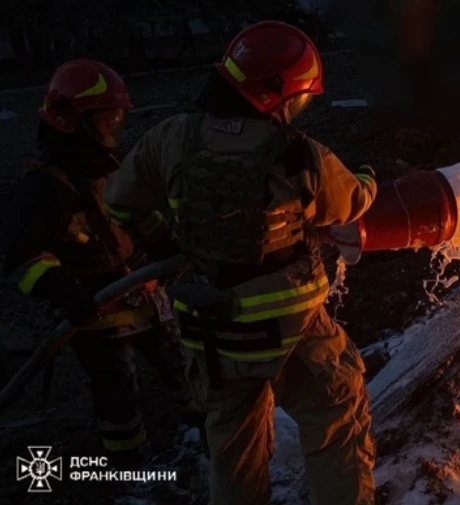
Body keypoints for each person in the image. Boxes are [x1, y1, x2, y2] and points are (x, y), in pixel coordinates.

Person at [103, 21, 378, 505]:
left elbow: (119, 204)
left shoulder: (173, 137)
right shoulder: (298, 153)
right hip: (292, 329)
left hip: (211, 331)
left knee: (232, 449)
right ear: (277, 94)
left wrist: (168, 245)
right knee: (336, 418)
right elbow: (349, 203)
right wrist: (368, 179)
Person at [1, 59, 191, 466]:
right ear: (71, 119)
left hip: (147, 296)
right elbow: (24, 260)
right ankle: (129, 471)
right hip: (97, 315)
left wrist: (167, 250)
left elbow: (139, 215)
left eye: (117, 118)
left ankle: (208, 441)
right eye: (104, 118)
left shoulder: (112, 168)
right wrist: (66, 292)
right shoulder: (41, 189)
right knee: (118, 397)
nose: (112, 128)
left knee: (186, 373)